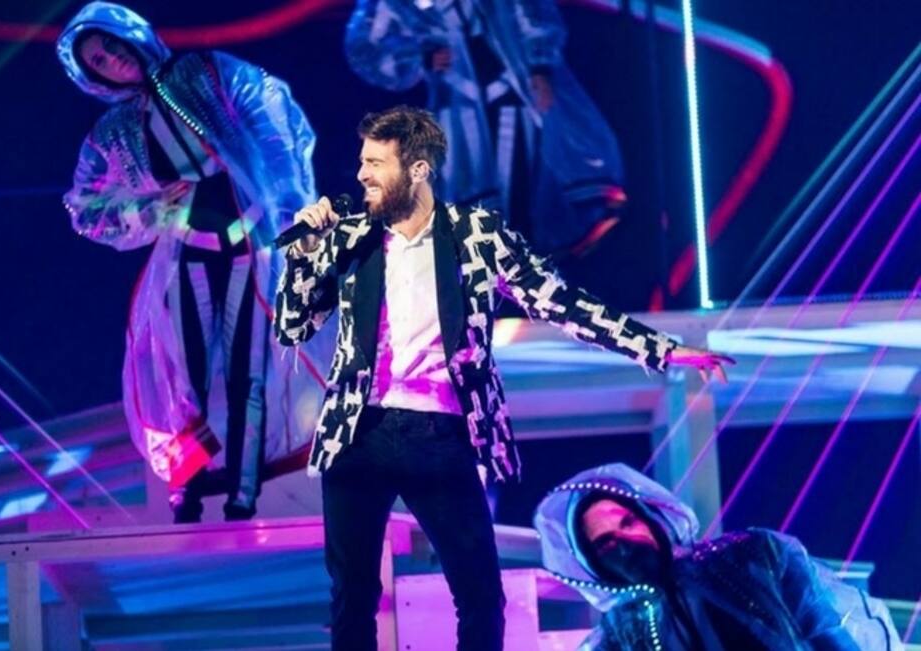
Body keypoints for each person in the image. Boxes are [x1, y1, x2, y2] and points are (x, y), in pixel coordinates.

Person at [273, 106, 731, 650]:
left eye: (375, 163)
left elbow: (561, 303)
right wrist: (303, 256)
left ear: (417, 169)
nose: (361, 175)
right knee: (353, 596)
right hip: (358, 431)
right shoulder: (350, 237)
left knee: (480, 595)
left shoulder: (476, 234)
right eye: (361, 162)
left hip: (440, 433)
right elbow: (292, 327)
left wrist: (659, 349)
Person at [57, 2, 316, 522]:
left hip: (250, 246)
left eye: (110, 45)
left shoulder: (206, 72)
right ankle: (187, 487)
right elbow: (86, 209)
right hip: (186, 256)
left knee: (249, 373)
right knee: (183, 381)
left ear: (130, 35)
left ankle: (243, 491)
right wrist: (150, 208)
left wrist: (289, 208)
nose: (112, 59)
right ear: (93, 77)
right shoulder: (113, 131)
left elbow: (273, 120)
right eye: (98, 60)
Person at [345, 0, 627, 255]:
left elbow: (531, 13)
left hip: (511, 94)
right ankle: (481, 274)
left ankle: (522, 273)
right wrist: (420, 57)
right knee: (467, 195)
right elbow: (366, 45)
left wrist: (539, 67)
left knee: (519, 194)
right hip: (457, 103)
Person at [535, 463, 904, 650]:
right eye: (605, 544)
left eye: (628, 522)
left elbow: (827, 630)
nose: (626, 543)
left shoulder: (754, 554)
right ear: (592, 565)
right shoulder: (617, 639)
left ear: (652, 517)